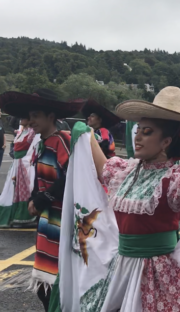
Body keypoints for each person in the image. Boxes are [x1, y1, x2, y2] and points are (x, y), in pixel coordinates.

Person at [85, 86, 180, 311]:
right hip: (120, 269)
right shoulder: (125, 171)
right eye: (138, 130)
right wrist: (86, 134)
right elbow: (102, 168)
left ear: (166, 141)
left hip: (157, 273)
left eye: (146, 132)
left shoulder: (175, 178)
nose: (137, 136)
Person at [0, 88, 83, 311]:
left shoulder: (62, 140)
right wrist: (35, 198)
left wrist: (42, 199)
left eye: (36, 115)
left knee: (55, 280)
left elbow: (71, 174)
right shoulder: (41, 143)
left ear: (51, 116)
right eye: (30, 115)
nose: (31, 121)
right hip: (46, 220)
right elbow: (40, 179)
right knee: (44, 282)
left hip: (61, 219)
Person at [0, 118, 39, 227]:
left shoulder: (32, 132)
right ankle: (13, 215)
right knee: (11, 190)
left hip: (24, 164)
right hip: (16, 164)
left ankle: (23, 216)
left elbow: (34, 148)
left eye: (23, 117)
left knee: (23, 190)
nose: (20, 119)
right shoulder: (22, 131)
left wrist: (27, 161)